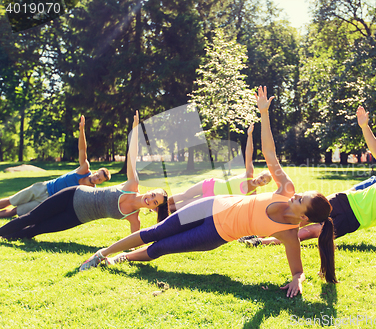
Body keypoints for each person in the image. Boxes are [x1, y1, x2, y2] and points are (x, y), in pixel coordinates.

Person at [79, 86, 336, 298]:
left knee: (162, 248)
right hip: (212, 205)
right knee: (155, 232)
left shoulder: (289, 234)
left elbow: (297, 270)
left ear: (303, 218)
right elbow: (270, 154)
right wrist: (264, 114)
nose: (295, 195)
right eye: (301, 193)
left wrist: (298, 281)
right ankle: (101, 254)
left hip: (215, 233)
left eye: (301, 200)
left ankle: (123, 258)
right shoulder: (286, 188)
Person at [242, 107, 376, 252]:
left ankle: (264, 241)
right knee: (303, 216)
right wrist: (364, 126)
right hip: (346, 200)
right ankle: (257, 233)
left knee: (313, 231)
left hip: (354, 221)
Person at [0, 111, 169, 239]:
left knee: (37, 230)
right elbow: (132, 156)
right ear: (150, 190)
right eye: (153, 194)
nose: (150, 199)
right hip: (72, 195)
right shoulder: (132, 185)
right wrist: (136, 129)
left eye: (154, 202)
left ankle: (7, 236)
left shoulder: (134, 218)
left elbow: (135, 240)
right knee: (32, 217)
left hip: (76, 217)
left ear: (154, 208)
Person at [0, 115, 111, 219]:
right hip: (43, 188)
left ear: (101, 182)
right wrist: (82, 130)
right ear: (96, 171)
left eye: (100, 179)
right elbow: (82, 150)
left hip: (47, 202)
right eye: (97, 175)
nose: (96, 178)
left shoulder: (90, 191)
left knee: (17, 211)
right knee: (11, 200)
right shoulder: (84, 169)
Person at [167, 123, 272, 213]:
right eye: (262, 177)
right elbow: (249, 153)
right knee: (184, 195)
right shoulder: (249, 174)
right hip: (211, 184)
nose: (261, 180)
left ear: (264, 185)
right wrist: (249, 135)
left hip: (211, 198)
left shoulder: (252, 195)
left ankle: (160, 210)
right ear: (259, 175)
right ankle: (160, 203)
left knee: (185, 205)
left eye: (265, 181)